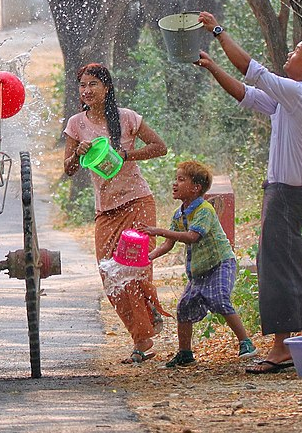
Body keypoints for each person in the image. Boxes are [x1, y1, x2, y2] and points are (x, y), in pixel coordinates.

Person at [196, 12, 302, 374]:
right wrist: (215, 69)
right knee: (286, 265)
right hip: (284, 194)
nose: (290, 54)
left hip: (287, 197)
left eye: (296, 51)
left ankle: (281, 348)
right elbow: (247, 93)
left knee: (276, 270)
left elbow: (252, 70)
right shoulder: (289, 100)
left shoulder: (299, 94)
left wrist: (218, 30)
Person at [63, 62, 169, 364]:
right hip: (105, 210)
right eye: (82, 85)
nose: (87, 90)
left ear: (107, 88)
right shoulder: (76, 124)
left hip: (137, 202)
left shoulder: (127, 118)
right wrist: (77, 154)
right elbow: (68, 170)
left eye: (93, 84)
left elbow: (159, 147)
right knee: (110, 275)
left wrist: (126, 154)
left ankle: (142, 340)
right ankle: (144, 324)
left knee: (133, 269)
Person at [145, 161, 256, 368]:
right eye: (175, 179)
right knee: (184, 308)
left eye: (181, 179)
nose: (174, 184)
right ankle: (185, 354)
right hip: (199, 270)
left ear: (196, 188)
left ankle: (246, 343)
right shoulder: (179, 214)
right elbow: (169, 244)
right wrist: (149, 257)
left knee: (220, 298)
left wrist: (159, 231)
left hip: (221, 263)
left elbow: (192, 237)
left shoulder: (204, 210)